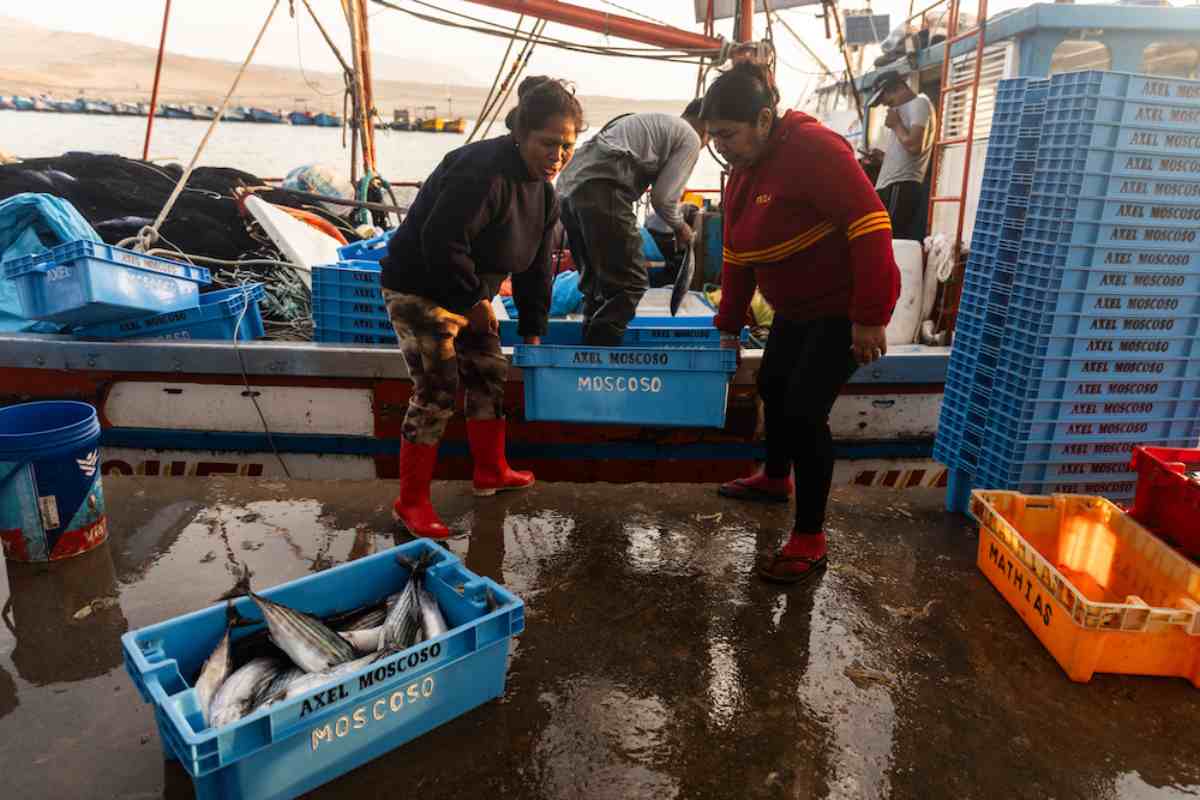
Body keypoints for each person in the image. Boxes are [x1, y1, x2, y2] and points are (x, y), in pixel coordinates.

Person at [703, 62, 901, 585]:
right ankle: (774, 478)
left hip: (842, 307)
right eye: (714, 137)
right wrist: (728, 323)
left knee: (804, 409)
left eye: (728, 134)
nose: (721, 146)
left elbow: (872, 227)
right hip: (797, 308)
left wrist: (869, 317)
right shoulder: (743, 171)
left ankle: (811, 536)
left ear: (765, 118)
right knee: (772, 385)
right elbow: (737, 256)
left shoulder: (816, 149)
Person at [378, 76, 584, 538]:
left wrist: (533, 327)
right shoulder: (483, 171)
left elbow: (535, 268)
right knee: (437, 388)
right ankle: (409, 503)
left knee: (490, 370)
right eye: (548, 144)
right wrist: (473, 299)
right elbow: (441, 240)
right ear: (520, 134)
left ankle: (491, 472)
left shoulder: (546, 192)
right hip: (420, 286)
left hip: (471, 292)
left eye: (568, 146)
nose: (558, 157)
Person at [557, 102, 708, 345]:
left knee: (597, 287)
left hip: (568, 191)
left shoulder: (658, 123)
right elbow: (663, 199)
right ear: (707, 128)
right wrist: (682, 228)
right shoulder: (689, 136)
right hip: (602, 188)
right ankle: (601, 357)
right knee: (631, 283)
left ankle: (586, 359)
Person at [864, 70, 935, 241]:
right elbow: (907, 148)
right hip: (893, 185)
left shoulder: (920, 103)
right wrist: (883, 158)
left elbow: (914, 145)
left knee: (889, 239)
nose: (887, 106)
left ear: (897, 88)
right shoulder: (909, 107)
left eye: (888, 100)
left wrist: (896, 125)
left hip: (900, 185)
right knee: (884, 239)